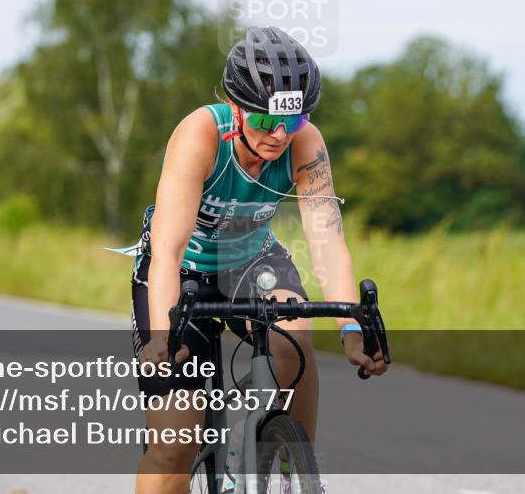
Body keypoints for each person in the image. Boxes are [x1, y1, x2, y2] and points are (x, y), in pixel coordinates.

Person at [130, 27, 388, 494]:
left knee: (295, 338)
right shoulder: (200, 136)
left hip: (250, 259)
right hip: (181, 271)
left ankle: (295, 466)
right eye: (265, 122)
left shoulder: (305, 141)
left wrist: (352, 331)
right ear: (235, 108)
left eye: (290, 123)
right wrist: (163, 336)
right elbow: (166, 253)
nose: (278, 136)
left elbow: (327, 242)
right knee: (175, 445)